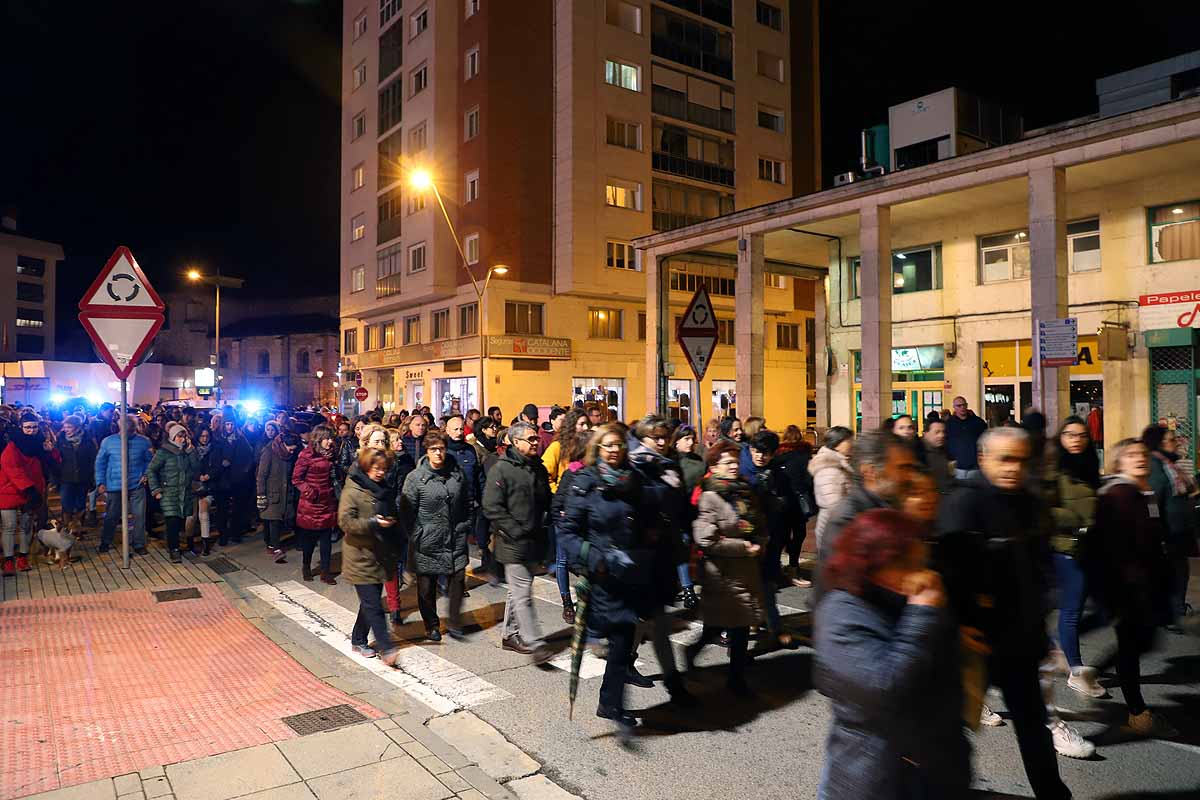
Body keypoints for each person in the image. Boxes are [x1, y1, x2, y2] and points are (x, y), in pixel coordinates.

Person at [936, 426, 1085, 795]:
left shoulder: (1030, 502)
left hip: (1019, 643)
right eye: (1005, 459)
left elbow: (1039, 570)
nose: (1013, 468)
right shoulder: (963, 504)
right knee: (951, 731)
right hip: (974, 645)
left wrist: (1041, 634)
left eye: (1021, 460)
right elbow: (949, 574)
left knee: (1034, 725)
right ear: (984, 458)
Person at [815, 508, 970, 800]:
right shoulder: (841, 613)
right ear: (870, 564)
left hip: (931, 767)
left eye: (920, 560)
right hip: (873, 775)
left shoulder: (901, 599)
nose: (920, 571)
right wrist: (923, 614)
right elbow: (886, 686)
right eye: (906, 563)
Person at [559, 423, 662, 731]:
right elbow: (567, 531)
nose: (615, 450)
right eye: (609, 445)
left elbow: (647, 518)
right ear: (597, 449)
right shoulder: (585, 483)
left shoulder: (633, 479)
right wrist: (593, 556)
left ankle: (610, 702)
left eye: (619, 444)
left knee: (623, 640)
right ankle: (611, 701)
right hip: (603, 574)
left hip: (631, 571)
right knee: (619, 638)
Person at [1089, 439, 1175, 737]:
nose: (1139, 459)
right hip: (1128, 587)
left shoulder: (1142, 493)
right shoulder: (1119, 494)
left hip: (1143, 585)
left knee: (1142, 643)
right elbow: (1113, 547)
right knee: (1131, 646)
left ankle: (1094, 672)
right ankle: (1137, 713)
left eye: (1141, 454)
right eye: (1130, 455)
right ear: (1118, 462)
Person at [686, 440, 764, 697]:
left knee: (727, 626)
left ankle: (730, 675)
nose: (733, 466)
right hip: (723, 574)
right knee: (734, 627)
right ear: (714, 466)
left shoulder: (742, 490)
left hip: (745, 570)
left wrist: (761, 538)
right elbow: (706, 539)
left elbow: (754, 521)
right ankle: (735, 680)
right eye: (727, 462)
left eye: (735, 461)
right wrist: (743, 546)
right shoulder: (710, 495)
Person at [626, 416, 696, 700]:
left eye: (665, 436)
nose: (663, 441)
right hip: (644, 553)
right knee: (653, 619)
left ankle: (629, 664)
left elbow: (679, 508)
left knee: (647, 618)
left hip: (665, 551)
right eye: (657, 437)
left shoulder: (669, 464)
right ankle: (672, 683)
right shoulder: (638, 465)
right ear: (644, 438)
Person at [814, 430, 919, 606]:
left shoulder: (888, 508)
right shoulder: (850, 519)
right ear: (871, 472)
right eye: (902, 468)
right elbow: (860, 586)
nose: (910, 477)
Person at [482, 420, 553, 661]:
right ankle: (535, 643)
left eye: (536, 438)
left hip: (534, 541)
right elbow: (491, 506)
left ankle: (510, 634)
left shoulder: (538, 467)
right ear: (515, 442)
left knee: (518, 590)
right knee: (522, 592)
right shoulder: (501, 469)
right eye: (531, 439)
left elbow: (546, 501)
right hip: (511, 542)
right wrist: (514, 529)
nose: (536, 442)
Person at [1043, 416, 1102, 697]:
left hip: (1089, 548)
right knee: (1071, 610)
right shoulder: (1054, 469)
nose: (1076, 440)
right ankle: (1076, 671)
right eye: (1070, 435)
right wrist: (1077, 520)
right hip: (1066, 549)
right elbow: (1045, 510)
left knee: (1101, 609)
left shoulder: (1090, 466)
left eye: (1081, 435)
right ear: (1061, 438)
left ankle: (1054, 644)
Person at [400, 430, 472, 640]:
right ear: (427, 451)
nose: (438, 453)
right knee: (426, 587)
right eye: (433, 449)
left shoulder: (457, 474)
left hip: (454, 537)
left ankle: (454, 620)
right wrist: (418, 533)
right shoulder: (415, 478)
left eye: (441, 448)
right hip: (426, 541)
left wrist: (465, 524)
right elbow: (406, 510)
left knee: (458, 579)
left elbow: (467, 501)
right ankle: (431, 624)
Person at [339, 446, 402, 666]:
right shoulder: (353, 490)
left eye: (383, 468)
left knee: (369, 603)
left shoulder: (382, 488)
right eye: (375, 468)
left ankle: (358, 639)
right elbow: (345, 522)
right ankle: (386, 647)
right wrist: (374, 523)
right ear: (366, 466)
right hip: (359, 555)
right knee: (374, 604)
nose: (380, 472)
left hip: (379, 554)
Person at [1141, 424, 1198, 630]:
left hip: (1178, 531)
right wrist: (1158, 531)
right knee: (1174, 571)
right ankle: (1170, 613)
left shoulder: (1170, 465)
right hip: (1168, 532)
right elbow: (1152, 501)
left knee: (1179, 570)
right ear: (1160, 443)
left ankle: (1173, 610)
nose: (1177, 443)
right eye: (1172, 440)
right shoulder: (1157, 466)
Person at [542, 408, 591, 614]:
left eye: (587, 424)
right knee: (562, 558)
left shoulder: (590, 446)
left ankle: (585, 602)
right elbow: (546, 474)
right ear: (572, 425)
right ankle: (566, 603)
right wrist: (558, 496)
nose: (586, 428)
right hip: (564, 508)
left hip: (584, 510)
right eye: (581, 424)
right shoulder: (557, 447)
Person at [1, 413, 55, 574]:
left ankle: (23, 557)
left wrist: (50, 452)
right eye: (28, 427)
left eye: (34, 427)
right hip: (10, 489)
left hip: (31, 490)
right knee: (9, 526)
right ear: (21, 427)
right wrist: (30, 488)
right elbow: (12, 469)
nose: (31, 430)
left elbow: (48, 466)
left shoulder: (40, 444)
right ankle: (9, 560)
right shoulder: (12, 446)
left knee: (26, 526)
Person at [94, 415, 153, 556]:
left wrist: (146, 474)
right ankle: (106, 541)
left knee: (139, 516)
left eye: (130, 426)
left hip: (136, 484)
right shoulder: (108, 442)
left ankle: (138, 543)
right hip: (114, 484)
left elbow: (150, 461)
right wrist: (100, 482)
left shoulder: (144, 442)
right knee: (112, 515)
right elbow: (100, 463)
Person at [147, 423, 203, 563]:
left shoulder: (188, 451)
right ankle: (174, 549)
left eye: (184, 436)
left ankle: (180, 545)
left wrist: (191, 452)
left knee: (182, 520)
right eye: (179, 436)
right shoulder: (163, 452)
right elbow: (151, 470)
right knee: (172, 520)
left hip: (185, 492)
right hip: (169, 492)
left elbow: (197, 469)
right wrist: (156, 490)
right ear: (173, 437)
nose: (182, 439)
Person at [293, 425, 339, 584]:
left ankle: (326, 572)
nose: (330, 441)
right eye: (327, 438)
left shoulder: (332, 454)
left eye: (331, 438)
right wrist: (309, 492)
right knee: (309, 540)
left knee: (326, 540)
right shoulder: (306, 455)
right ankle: (306, 567)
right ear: (319, 439)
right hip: (311, 504)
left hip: (327, 502)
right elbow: (296, 479)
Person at [772, 425, 817, 579]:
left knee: (782, 534)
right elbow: (810, 480)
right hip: (798, 502)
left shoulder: (777, 456)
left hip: (782, 501)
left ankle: (776, 566)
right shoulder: (805, 456)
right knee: (799, 533)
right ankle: (793, 566)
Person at [257, 431, 301, 563]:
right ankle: (275, 548)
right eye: (290, 449)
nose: (292, 452)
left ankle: (272, 544)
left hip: (285, 493)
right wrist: (261, 495)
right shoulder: (269, 452)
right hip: (271, 493)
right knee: (273, 521)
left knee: (279, 520)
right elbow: (261, 475)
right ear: (283, 444)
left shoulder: (289, 456)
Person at [808, 426, 854, 553]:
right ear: (837, 444)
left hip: (841, 528)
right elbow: (834, 504)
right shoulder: (829, 469)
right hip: (834, 529)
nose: (852, 444)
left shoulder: (840, 463)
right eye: (849, 441)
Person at [211, 419, 254, 545]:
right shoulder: (218, 439)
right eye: (227, 424)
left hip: (237, 479)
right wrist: (221, 464)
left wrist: (241, 471)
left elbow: (248, 458)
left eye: (231, 424)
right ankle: (223, 535)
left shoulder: (241, 439)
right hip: (221, 480)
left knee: (237, 508)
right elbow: (212, 457)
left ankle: (236, 533)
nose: (229, 427)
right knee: (221, 510)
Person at [55, 414, 97, 540]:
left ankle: (78, 530)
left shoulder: (88, 441)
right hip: (66, 478)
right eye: (65, 426)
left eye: (69, 427)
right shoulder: (61, 440)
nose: (66, 429)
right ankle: (67, 531)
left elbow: (92, 460)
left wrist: (92, 478)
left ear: (78, 428)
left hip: (82, 478)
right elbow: (56, 460)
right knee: (66, 505)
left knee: (80, 505)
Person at [945, 396, 988, 480]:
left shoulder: (978, 422)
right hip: (957, 467)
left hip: (975, 466)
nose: (962, 407)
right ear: (954, 407)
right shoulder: (949, 424)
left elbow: (986, 439)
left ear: (967, 405)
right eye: (959, 406)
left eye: (964, 405)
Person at [920, 418, 954, 494]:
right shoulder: (917, 453)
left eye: (943, 432)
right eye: (937, 432)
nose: (941, 435)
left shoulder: (946, 451)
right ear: (925, 434)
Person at [672, 425, 705, 491]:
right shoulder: (671, 460)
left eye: (692, 439)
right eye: (687, 439)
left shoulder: (697, 458)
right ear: (677, 440)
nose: (691, 443)